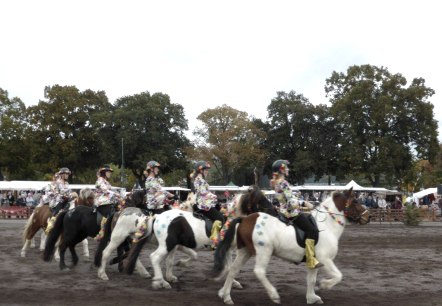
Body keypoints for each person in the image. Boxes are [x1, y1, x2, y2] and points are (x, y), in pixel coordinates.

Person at [270, 159, 323, 269]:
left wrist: (302, 207)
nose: (288, 169)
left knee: (309, 218)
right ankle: (310, 259)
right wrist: (306, 203)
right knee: (312, 230)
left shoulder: (275, 183)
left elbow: (287, 200)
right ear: (282, 169)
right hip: (291, 213)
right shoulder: (283, 183)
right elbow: (292, 202)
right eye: (286, 167)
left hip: (284, 212)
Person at [191, 161, 224, 248]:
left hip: (206, 203)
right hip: (203, 205)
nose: (207, 171)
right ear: (200, 170)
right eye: (205, 170)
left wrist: (215, 198)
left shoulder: (201, 180)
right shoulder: (199, 180)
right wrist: (215, 197)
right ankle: (214, 240)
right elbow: (203, 193)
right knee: (220, 218)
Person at [95, 165, 122, 240]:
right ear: (104, 172)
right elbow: (106, 191)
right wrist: (117, 195)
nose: (110, 173)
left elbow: (110, 192)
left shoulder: (106, 182)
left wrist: (120, 198)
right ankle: (102, 233)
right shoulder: (100, 180)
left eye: (110, 172)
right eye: (108, 172)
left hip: (109, 202)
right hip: (101, 203)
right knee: (109, 216)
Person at [46, 167, 72, 233]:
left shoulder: (67, 184)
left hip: (67, 200)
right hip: (58, 200)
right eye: (66, 174)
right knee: (58, 209)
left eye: (67, 174)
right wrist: (62, 196)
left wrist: (71, 196)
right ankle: (50, 224)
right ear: (61, 175)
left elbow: (69, 193)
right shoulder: (57, 182)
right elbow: (54, 192)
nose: (67, 175)